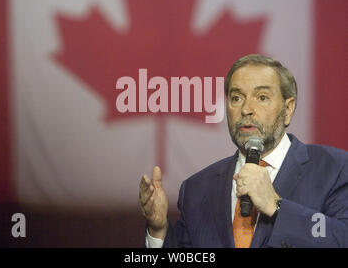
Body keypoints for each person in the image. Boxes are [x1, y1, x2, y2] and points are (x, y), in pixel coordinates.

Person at [138, 54, 348, 248]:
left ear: (288, 108)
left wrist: (276, 206)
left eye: (262, 97)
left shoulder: (335, 169)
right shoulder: (196, 189)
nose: (246, 109)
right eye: (236, 98)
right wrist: (158, 230)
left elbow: (342, 236)